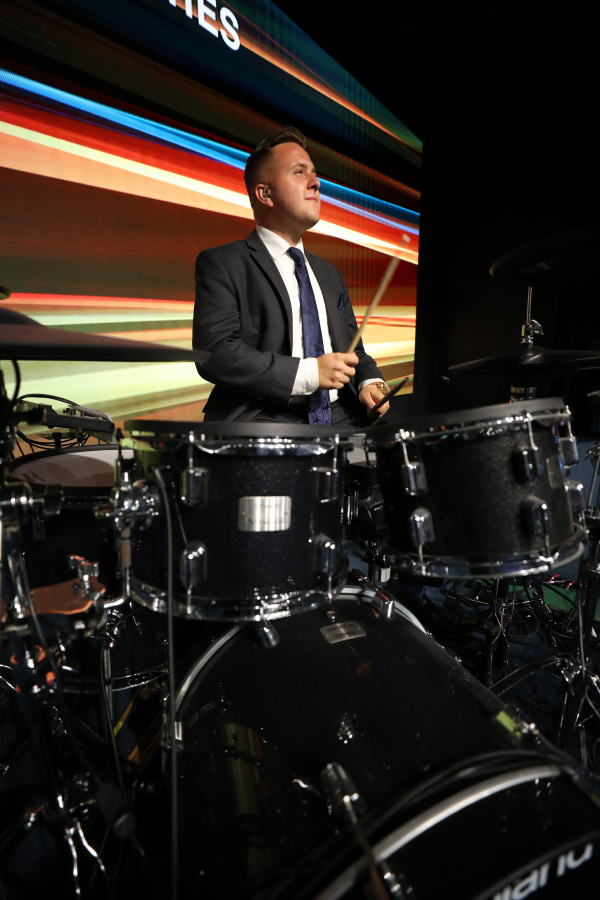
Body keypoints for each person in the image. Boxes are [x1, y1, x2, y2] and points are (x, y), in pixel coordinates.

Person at [192, 126, 390, 424]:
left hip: (341, 415)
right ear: (265, 193)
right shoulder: (223, 263)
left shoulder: (330, 274)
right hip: (266, 416)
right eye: (299, 172)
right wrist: (311, 373)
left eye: (314, 174)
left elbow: (354, 352)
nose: (316, 183)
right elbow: (216, 354)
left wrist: (371, 383)